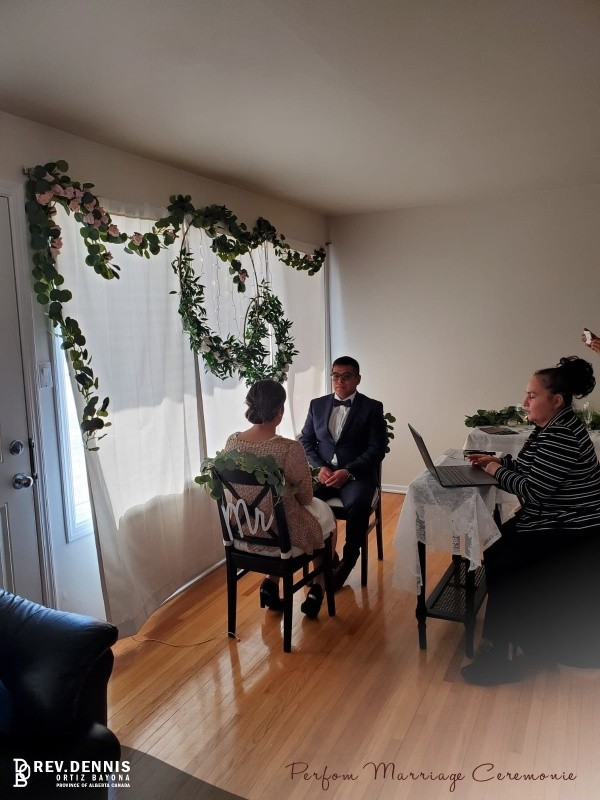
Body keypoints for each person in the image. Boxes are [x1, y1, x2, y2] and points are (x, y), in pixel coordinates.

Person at [461, 356, 600, 685]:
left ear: (556, 400)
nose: (525, 401)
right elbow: (531, 468)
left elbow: (533, 491)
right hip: (558, 519)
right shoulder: (552, 427)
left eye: (532, 395)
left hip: (573, 528)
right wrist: (498, 462)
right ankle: (514, 636)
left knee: (505, 559)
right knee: (496, 547)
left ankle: (501, 654)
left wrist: (494, 469)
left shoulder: (561, 434)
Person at [223, 379, 336, 619]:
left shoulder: (232, 442)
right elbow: (305, 496)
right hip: (280, 537)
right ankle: (318, 587)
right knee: (325, 517)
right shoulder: (288, 448)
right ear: (280, 410)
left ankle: (270, 584)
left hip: (243, 532)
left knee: (278, 514)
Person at [299, 356, 387, 591]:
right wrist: (320, 467)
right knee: (303, 500)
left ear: (358, 379)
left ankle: (347, 562)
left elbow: (376, 449)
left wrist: (348, 471)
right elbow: (306, 441)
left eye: (346, 376)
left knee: (357, 507)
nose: (340, 381)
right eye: (335, 376)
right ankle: (323, 559)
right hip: (325, 474)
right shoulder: (317, 405)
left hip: (357, 475)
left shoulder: (372, 407)